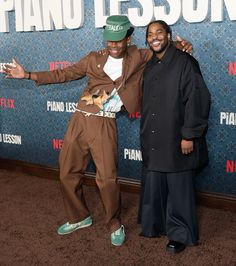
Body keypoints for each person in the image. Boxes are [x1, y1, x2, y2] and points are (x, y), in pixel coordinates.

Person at [2, 15, 192, 246]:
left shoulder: (140, 55)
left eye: (118, 41)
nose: (112, 45)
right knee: (67, 171)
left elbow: (162, 48)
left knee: (107, 179)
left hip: (104, 122)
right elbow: (65, 74)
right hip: (80, 119)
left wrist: (181, 46)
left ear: (129, 39)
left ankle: (114, 222)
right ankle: (79, 217)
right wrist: (28, 74)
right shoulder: (94, 58)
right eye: (109, 40)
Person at [138, 20, 211, 253]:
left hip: (177, 136)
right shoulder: (149, 65)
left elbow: (197, 100)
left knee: (179, 188)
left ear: (169, 35)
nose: (154, 37)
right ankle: (155, 224)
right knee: (155, 182)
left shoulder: (185, 62)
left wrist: (189, 135)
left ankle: (180, 234)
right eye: (150, 34)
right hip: (153, 136)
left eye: (159, 32)